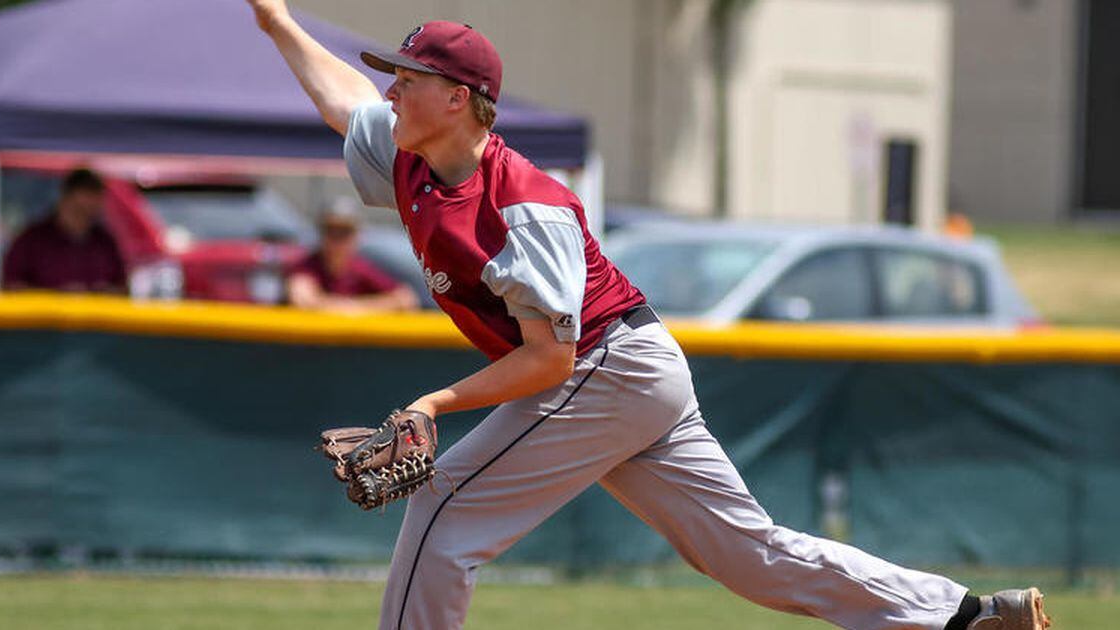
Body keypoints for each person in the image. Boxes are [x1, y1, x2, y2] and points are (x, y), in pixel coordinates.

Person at [247, 4, 1050, 630]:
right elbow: (345, 104)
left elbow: (549, 362)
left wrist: (432, 405)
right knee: (745, 555)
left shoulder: (524, 208)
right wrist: (276, 19)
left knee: (443, 511)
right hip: (630, 369)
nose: (390, 88)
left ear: (457, 99)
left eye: (408, 78)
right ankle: (961, 616)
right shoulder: (416, 158)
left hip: (602, 368)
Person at [3, 168, 127, 294]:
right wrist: (55, 296)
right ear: (66, 196)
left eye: (97, 195)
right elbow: (11, 285)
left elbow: (123, 288)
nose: (92, 204)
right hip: (44, 313)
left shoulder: (105, 243)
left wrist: (96, 294)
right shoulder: (31, 241)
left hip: (95, 314)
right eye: (87, 194)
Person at [286, 198, 417, 313]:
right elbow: (302, 299)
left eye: (344, 232)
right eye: (331, 231)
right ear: (321, 234)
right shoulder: (307, 265)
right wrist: (352, 309)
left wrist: (353, 308)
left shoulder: (358, 267)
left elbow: (405, 299)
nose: (337, 239)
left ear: (355, 236)